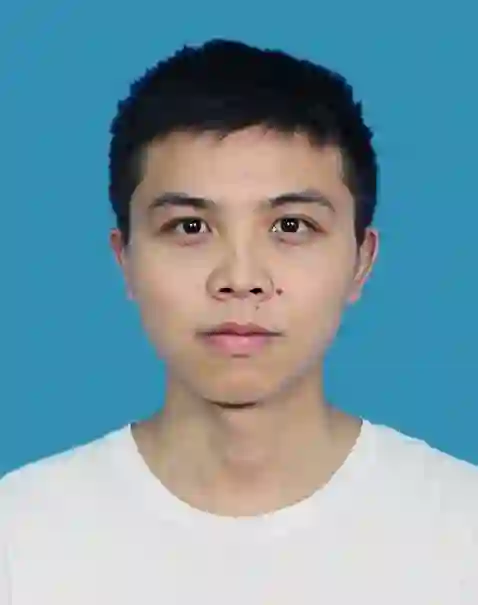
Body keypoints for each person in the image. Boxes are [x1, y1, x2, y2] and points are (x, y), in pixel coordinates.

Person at [1, 38, 477, 604]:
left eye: (292, 226)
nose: (241, 278)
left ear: (361, 262)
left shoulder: (460, 531)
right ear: (125, 259)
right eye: (190, 227)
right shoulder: (21, 537)